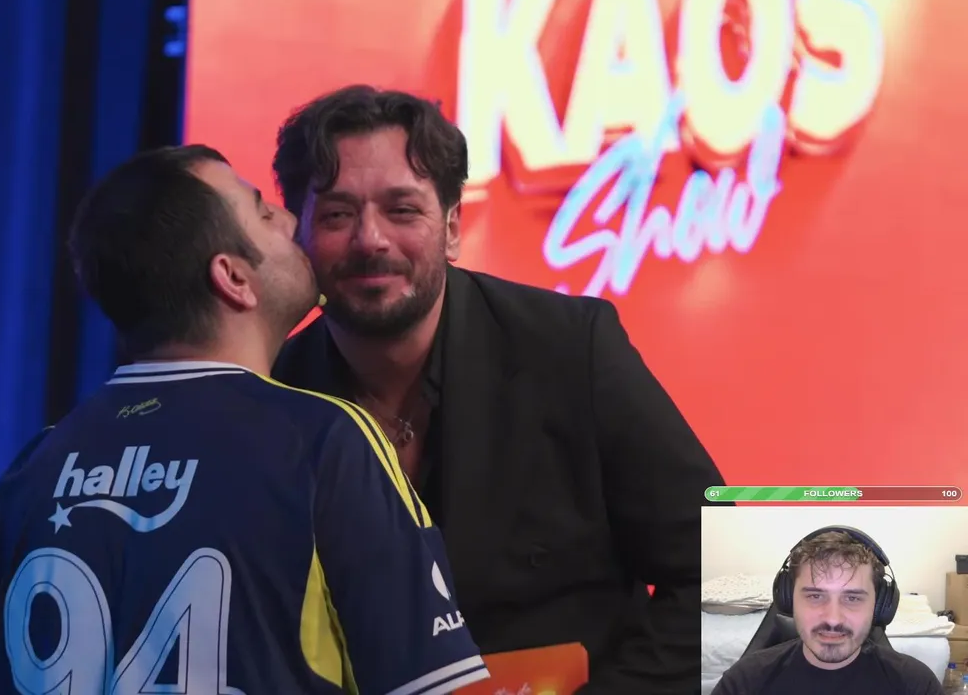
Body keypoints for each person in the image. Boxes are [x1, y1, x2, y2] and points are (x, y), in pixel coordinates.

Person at [0, 145, 489, 695]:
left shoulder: (35, 468)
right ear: (233, 278)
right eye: (263, 212)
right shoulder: (322, 441)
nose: (292, 219)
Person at [270, 85, 727, 695]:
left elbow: (729, 579)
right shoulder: (270, 394)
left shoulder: (570, 348)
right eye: (336, 215)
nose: (371, 239)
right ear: (298, 238)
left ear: (452, 228)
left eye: (402, 210)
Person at [712, 528, 941, 694]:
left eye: (852, 598)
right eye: (815, 596)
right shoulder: (743, 683)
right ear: (788, 600)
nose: (833, 618)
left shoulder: (916, 685)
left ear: (880, 605)